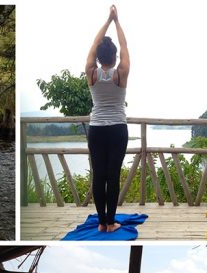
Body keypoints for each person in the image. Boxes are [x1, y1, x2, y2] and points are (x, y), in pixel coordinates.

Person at [85, 5, 129, 233]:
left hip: (97, 129)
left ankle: (102, 223)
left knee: (98, 175)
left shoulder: (91, 73)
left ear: (100, 57)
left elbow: (94, 44)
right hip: (118, 129)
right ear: (114, 56)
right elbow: (125, 46)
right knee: (113, 176)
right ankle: (111, 223)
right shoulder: (121, 73)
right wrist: (117, 21)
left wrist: (107, 21)